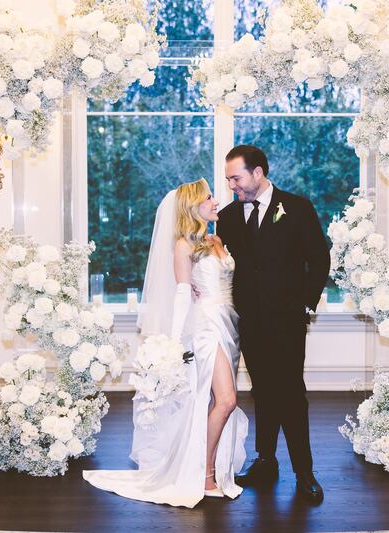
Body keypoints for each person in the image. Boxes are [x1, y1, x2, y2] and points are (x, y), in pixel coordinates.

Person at [83, 178, 248, 508]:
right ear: (193, 205)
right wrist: (175, 344)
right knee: (226, 400)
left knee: (215, 399)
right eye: (209, 197)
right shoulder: (183, 246)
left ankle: (213, 468)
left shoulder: (217, 239)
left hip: (229, 325)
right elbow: (183, 294)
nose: (216, 201)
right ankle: (204, 476)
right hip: (205, 326)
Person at [216, 145, 330, 505]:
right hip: (249, 323)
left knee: (292, 394)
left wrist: (304, 305)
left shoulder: (296, 207)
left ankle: (305, 472)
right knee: (262, 392)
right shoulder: (230, 217)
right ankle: (266, 461)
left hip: (287, 320)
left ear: (258, 173)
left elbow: (320, 258)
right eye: (229, 179)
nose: (232, 185)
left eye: (236, 178)